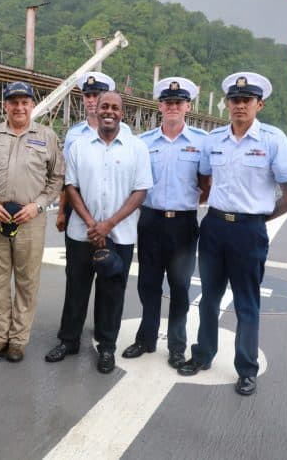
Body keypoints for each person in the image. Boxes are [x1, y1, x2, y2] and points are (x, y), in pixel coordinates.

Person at [177, 72, 287, 396]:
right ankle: (203, 355)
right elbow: (204, 181)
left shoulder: (273, 140)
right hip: (215, 227)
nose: (240, 106)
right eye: (235, 100)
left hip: (249, 231)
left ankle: (247, 370)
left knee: (247, 305)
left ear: (259, 104)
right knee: (208, 301)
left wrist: (260, 218)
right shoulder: (213, 140)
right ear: (227, 104)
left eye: (246, 101)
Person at [44, 91, 153, 374]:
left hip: (120, 235)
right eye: (104, 106)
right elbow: (71, 186)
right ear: (96, 110)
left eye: (115, 107)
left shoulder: (136, 147)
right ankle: (68, 341)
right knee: (76, 288)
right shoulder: (80, 146)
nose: (108, 111)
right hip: (82, 232)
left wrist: (109, 224)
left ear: (122, 113)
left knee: (112, 292)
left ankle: (106, 347)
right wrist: (93, 222)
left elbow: (140, 191)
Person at [0, 81, 64, 363]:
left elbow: (56, 178)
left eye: (25, 102)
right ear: (5, 106)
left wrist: (38, 205)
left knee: (26, 282)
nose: (20, 107)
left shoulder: (47, 137)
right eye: (14, 102)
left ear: (32, 105)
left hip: (30, 220)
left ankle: (18, 340)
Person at [121, 77, 209, 368]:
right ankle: (145, 339)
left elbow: (206, 184)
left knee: (180, 287)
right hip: (150, 220)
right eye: (168, 102)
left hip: (183, 223)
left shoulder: (201, 142)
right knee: (148, 284)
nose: (173, 107)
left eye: (178, 102)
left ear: (187, 106)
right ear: (160, 106)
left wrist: (188, 203)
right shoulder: (143, 142)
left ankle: (176, 345)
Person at [56, 72, 131, 233]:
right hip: (78, 208)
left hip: (112, 211)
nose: (91, 100)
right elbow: (67, 178)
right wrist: (61, 211)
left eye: (96, 95)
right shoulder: (73, 134)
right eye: (87, 95)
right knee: (77, 257)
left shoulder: (125, 132)